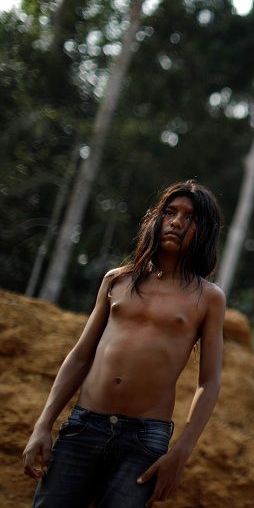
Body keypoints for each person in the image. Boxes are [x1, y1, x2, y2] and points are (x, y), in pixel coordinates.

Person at [23, 180, 226, 508]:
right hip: (83, 426)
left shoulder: (208, 298)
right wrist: (43, 425)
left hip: (144, 441)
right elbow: (80, 356)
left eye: (190, 217)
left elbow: (210, 380)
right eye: (170, 213)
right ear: (156, 219)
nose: (176, 222)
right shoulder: (117, 280)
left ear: (205, 231)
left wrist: (181, 452)